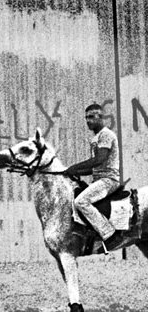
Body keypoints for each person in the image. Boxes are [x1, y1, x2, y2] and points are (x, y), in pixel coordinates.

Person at [64, 103, 128, 252]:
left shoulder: (106, 135)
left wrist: (74, 167)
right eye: (87, 117)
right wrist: (75, 172)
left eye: (92, 116)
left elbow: (99, 159)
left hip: (108, 180)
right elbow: (94, 168)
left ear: (102, 117)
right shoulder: (96, 138)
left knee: (81, 201)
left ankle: (110, 235)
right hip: (99, 179)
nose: (89, 120)